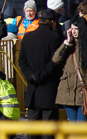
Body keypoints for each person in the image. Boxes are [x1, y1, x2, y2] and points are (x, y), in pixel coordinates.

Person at [18, 8, 63, 139]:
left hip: (32, 90)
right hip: (48, 91)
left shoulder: (28, 37)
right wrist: (39, 75)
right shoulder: (55, 38)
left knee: (33, 130)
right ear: (52, 22)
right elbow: (54, 63)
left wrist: (30, 75)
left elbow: (22, 61)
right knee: (48, 131)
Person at [53, 15, 87, 122]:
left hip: (84, 93)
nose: (74, 32)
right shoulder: (69, 46)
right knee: (72, 128)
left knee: (81, 128)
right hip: (68, 92)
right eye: (72, 29)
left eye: (76, 29)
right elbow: (56, 59)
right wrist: (67, 43)